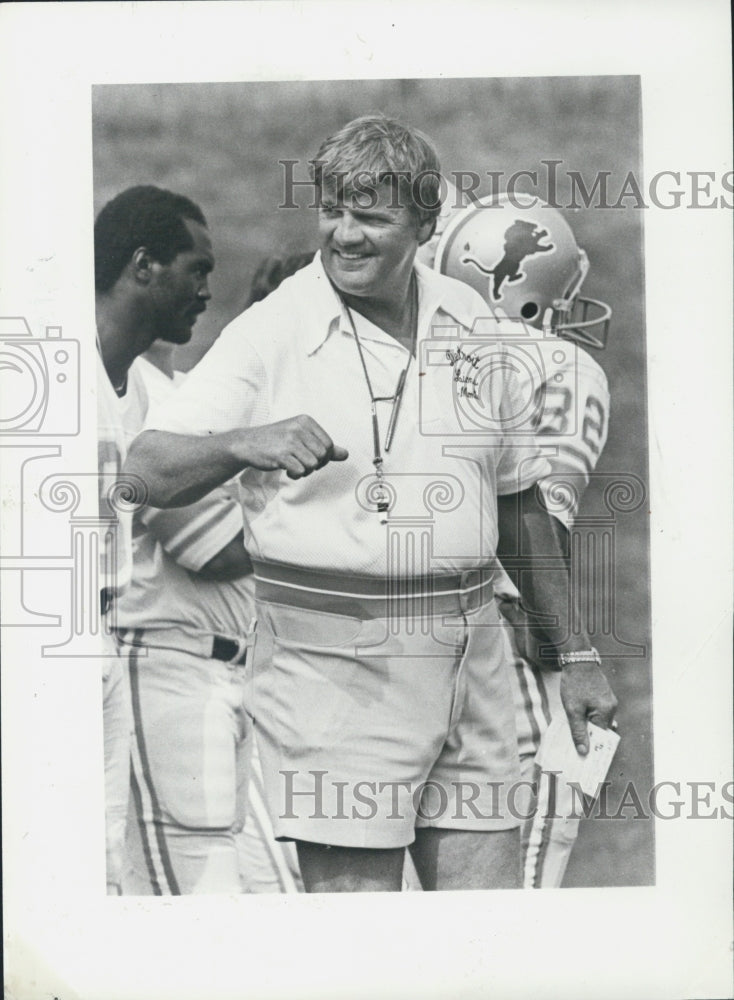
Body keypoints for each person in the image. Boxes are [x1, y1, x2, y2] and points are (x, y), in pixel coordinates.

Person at [125, 115, 616, 892]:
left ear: (424, 224)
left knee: (483, 938)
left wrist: (578, 654)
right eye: (332, 212)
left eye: (370, 217)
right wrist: (240, 444)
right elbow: (143, 472)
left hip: (472, 661)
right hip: (335, 670)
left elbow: (519, 501)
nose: (344, 236)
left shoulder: (469, 315)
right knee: (361, 942)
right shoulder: (271, 332)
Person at [433, 191, 613, 887]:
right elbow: (548, 528)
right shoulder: (565, 366)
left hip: (410, 641)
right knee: (525, 885)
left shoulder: (426, 353)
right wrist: (575, 655)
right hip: (512, 642)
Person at [95, 184, 251, 893]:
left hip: (100, 646)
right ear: (144, 265)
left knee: (106, 866)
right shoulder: (43, 362)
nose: (207, 292)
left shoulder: (153, 394)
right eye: (197, 269)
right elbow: (218, 548)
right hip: (54, 642)